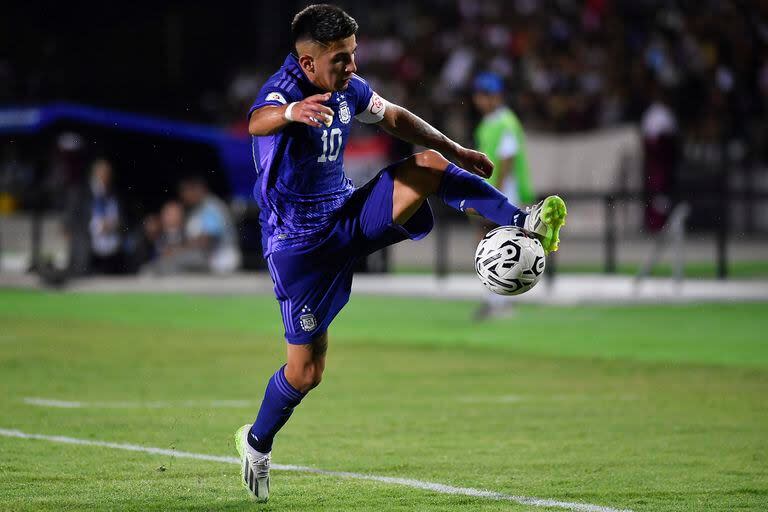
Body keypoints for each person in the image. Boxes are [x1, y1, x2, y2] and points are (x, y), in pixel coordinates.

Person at [235, 4, 567, 502]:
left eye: (353, 55)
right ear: (307, 64)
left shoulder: (348, 87)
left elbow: (393, 117)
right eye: (340, 60)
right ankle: (256, 444)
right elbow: (258, 121)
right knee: (307, 372)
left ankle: (520, 220)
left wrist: (456, 150)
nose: (351, 67)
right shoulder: (284, 90)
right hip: (299, 247)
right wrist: (289, 113)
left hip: (345, 214)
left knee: (429, 165)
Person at [471, 72, 535, 320]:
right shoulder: (491, 123)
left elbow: (506, 160)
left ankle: (499, 302)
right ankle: (495, 300)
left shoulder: (504, 122)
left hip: (502, 194)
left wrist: (491, 195)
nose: (480, 100)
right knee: (492, 245)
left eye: (485, 95)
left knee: (496, 245)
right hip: (496, 193)